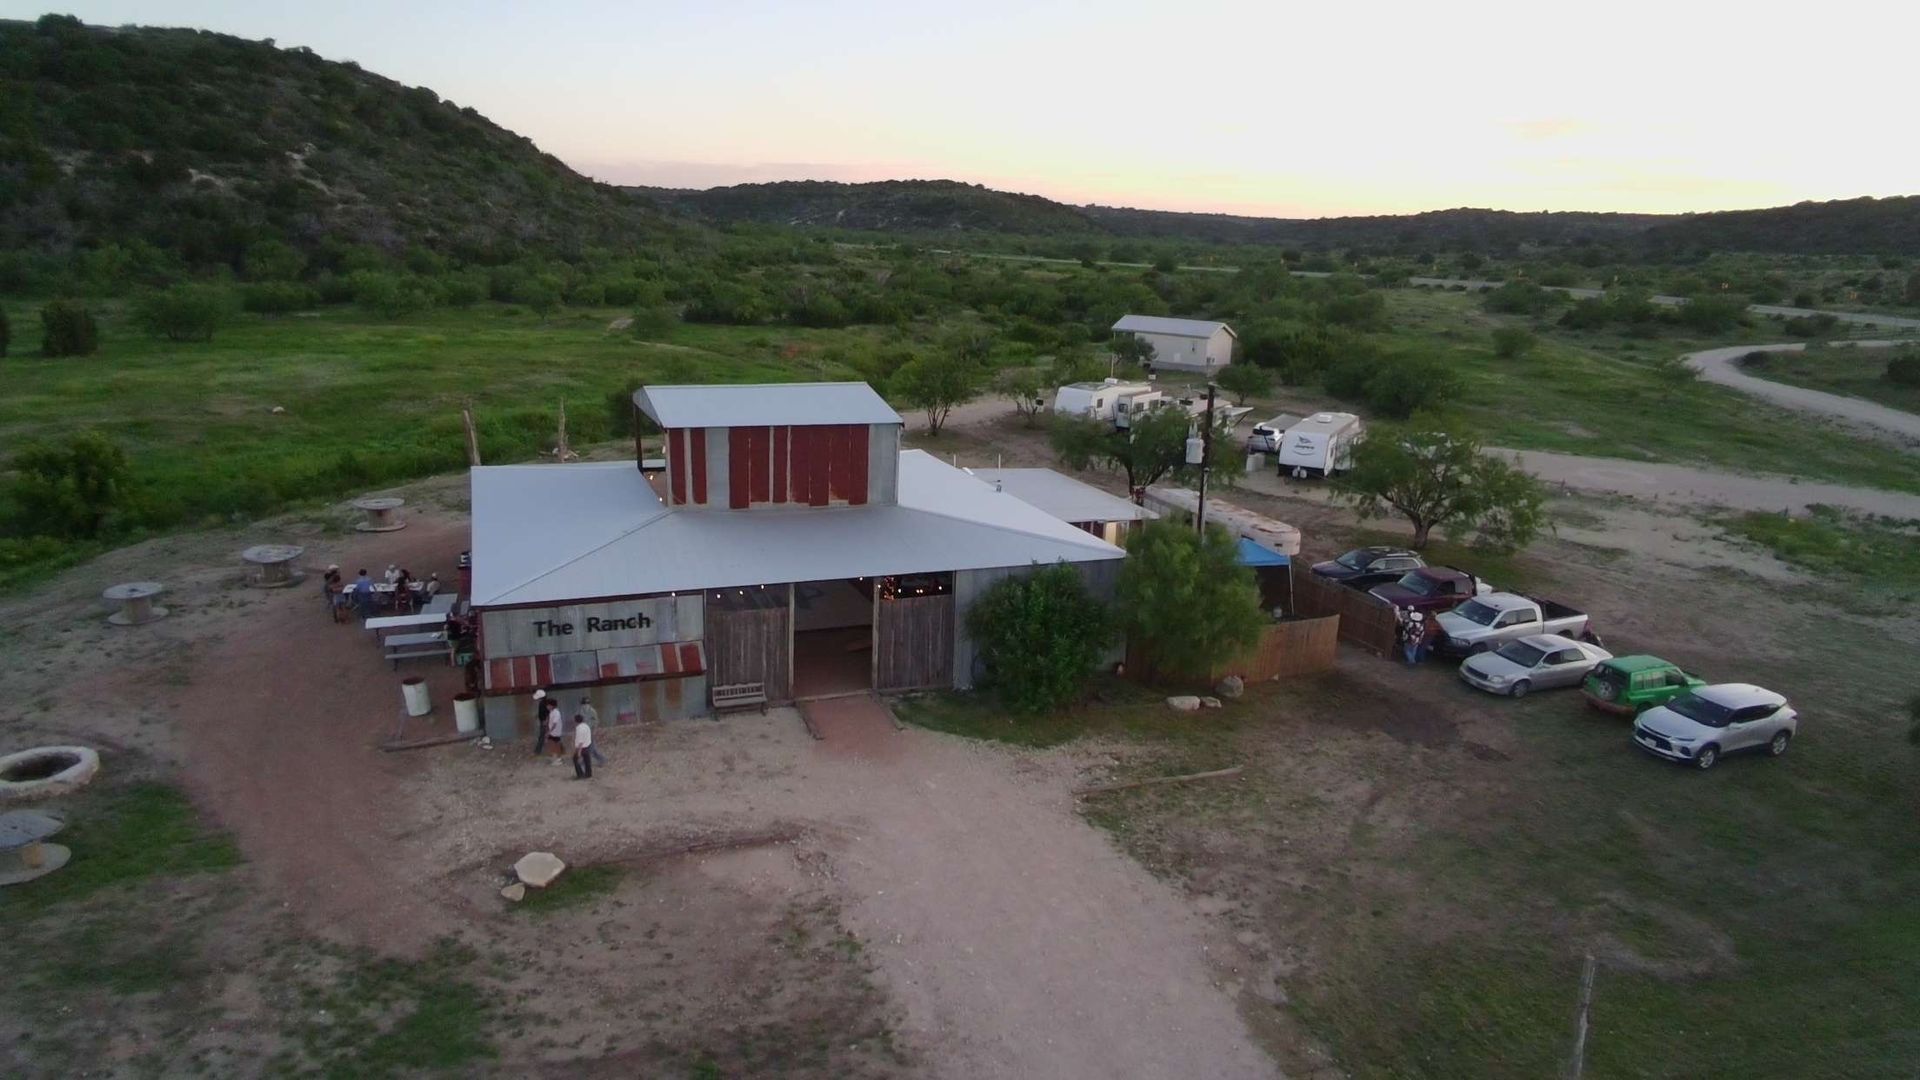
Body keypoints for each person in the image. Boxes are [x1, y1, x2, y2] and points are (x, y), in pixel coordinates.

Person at [578, 697, 607, 766]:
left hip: (590, 731)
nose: (585, 705)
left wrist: (595, 731)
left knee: (590, 747)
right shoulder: (581, 711)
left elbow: (596, 721)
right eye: (584, 704)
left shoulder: (592, 711)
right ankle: (602, 759)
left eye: (587, 703)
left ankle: (585, 762)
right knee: (591, 748)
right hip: (584, 731)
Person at [571, 712, 594, 780]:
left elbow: (580, 742)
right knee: (587, 760)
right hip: (588, 745)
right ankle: (588, 774)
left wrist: (578, 752)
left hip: (582, 747)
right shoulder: (586, 726)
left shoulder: (579, 729)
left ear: (576, 721)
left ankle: (580, 774)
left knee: (575, 759)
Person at [529, 690, 548, 757]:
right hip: (543, 721)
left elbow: (545, 714)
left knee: (542, 737)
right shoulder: (544, 703)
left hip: (543, 722)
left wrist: (544, 721)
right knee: (543, 736)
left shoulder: (542, 704)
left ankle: (537, 751)